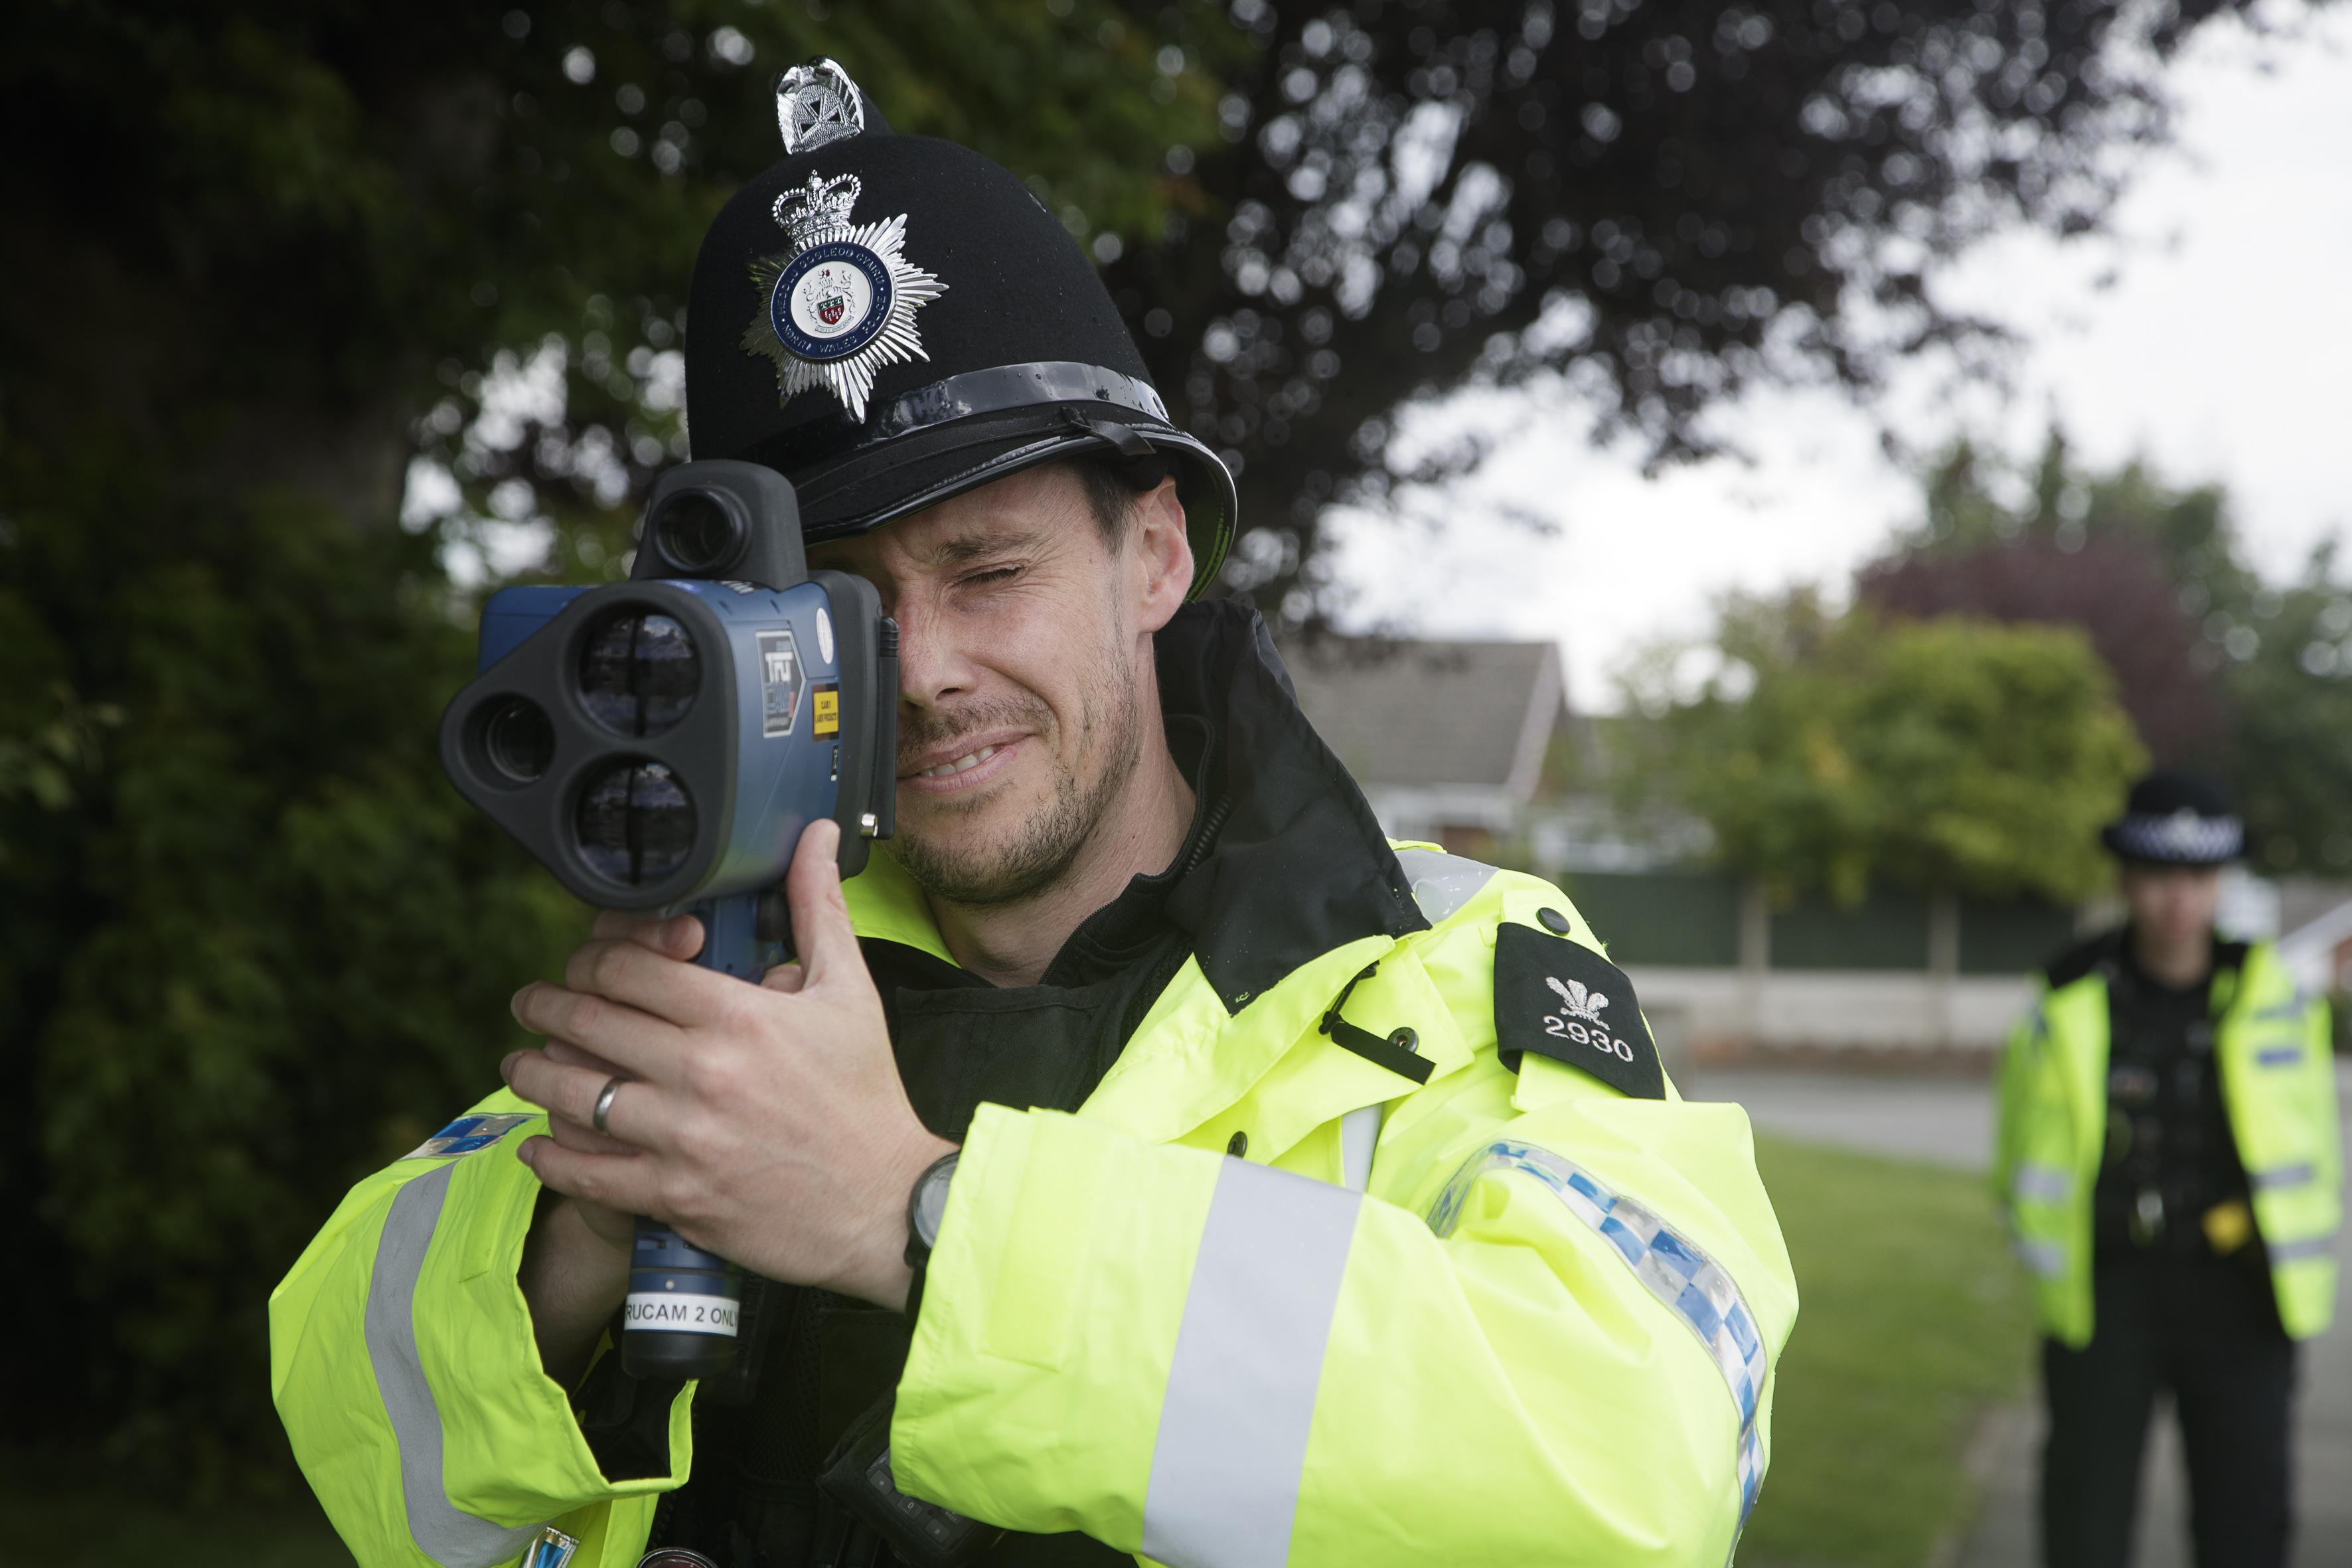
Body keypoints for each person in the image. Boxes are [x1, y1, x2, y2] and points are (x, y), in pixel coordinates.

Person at [271, 59, 1796, 1568]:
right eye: (844, 606)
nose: (924, 674)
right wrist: (576, 1245)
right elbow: (353, 1422)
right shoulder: (720, 970)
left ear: (1153, 555)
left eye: (988, 572)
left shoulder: (1449, 973)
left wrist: (911, 1208)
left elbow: (1634, 1463)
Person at [1996, 771, 2339, 1568]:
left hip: (2244, 1297)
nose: (2178, 898)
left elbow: (2312, 1148)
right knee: (2084, 1520)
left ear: (2222, 880)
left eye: (2199, 876)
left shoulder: (2278, 999)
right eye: (2158, 875)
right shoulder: (2065, 999)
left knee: (2246, 1521)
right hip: (2108, 1295)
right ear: (2125, 878)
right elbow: (2015, 1151)